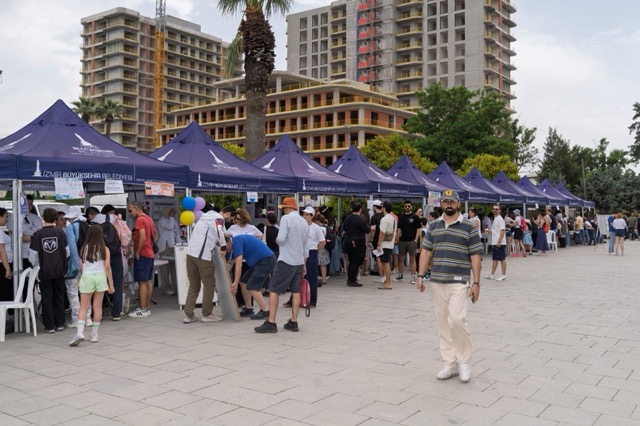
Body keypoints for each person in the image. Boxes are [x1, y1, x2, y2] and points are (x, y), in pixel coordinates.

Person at [416, 189, 482, 383]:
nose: (449, 205)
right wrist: (420, 275)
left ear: (458, 203)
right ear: (441, 204)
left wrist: (476, 283)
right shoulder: (434, 226)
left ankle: (464, 361)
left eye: (452, 201)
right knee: (443, 323)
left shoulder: (469, 226)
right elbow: (425, 251)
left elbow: (475, 256)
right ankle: (449, 363)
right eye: (445, 202)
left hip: (459, 281)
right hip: (437, 280)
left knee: (457, 319)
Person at [255, 197, 308, 334]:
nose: (283, 210)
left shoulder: (286, 219)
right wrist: (304, 263)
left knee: (273, 289)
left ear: (287, 207)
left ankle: (271, 321)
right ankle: (294, 321)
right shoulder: (303, 221)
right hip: (299, 261)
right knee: (296, 290)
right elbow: (305, 244)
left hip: (286, 259)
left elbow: (281, 239)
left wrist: (277, 240)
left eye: (283, 208)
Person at [69, 225, 115, 346]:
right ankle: (94, 334)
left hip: (87, 277)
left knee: (83, 307)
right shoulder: (105, 249)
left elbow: (81, 267)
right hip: (100, 277)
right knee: (97, 307)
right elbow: (107, 267)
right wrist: (111, 284)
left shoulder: (84, 249)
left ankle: (80, 332)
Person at [183, 204, 226, 323]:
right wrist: (223, 246)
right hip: (204, 256)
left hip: (191, 254)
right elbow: (220, 231)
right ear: (226, 213)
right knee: (209, 285)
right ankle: (207, 313)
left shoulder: (202, 219)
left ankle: (188, 315)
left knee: (194, 285)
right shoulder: (218, 218)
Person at [28, 208, 69, 333]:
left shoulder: (37, 235)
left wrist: (37, 265)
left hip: (44, 270)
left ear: (43, 218)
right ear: (56, 219)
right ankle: (60, 323)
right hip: (59, 270)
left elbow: (33, 256)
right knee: (59, 296)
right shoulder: (61, 233)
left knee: (46, 298)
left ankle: (50, 326)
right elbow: (67, 252)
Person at [228, 234, 276, 320]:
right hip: (260, 261)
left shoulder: (236, 242)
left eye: (224, 247)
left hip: (266, 260)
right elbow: (229, 263)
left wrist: (235, 283)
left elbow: (239, 264)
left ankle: (266, 311)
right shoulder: (232, 245)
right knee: (244, 282)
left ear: (228, 242)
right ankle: (248, 309)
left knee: (253, 287)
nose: (224, 249)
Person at [226, 208, 263, 317]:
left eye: (238, 219)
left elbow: (260, 235)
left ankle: (249, 305)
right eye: (235, 219)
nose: (236, 221)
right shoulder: (233, 228)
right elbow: (225, 235)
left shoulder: (251, 228)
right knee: (238, 280)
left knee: (246, 282)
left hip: (248, 259)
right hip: (238, 257)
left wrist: (253, 245)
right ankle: (241, 303)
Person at [127, 201, 157, 318]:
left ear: (136, 208)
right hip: (150, 253)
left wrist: (137, 251)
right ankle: (147, 308)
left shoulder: (140, 220)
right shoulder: (149, 219)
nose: (130, 213)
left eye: (130, 210)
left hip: (143, 253)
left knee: (142, 282)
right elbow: (155, 235)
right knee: (148, 281)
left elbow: (143, 237)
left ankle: (143, 309)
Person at [63, 206, 87, 328]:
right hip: (88, 263)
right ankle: (88, 317)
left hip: (75, 264)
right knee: (86, 291)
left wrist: (77, 264)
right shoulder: (87, 225)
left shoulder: (70, 227)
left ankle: (76, 318)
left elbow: (72, 249)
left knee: (73, 292)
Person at [341, 202, 370, 287]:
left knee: (351, 261)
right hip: (357, 242)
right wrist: (371, 228)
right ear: (360, 209)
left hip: (348, 241)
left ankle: (350, 278)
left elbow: (344, 228)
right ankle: (352, 280)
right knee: (356, 261)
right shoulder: (360, 219)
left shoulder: (347, 218)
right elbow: (366, 229)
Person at [302, 206, 325, 308]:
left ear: (312, 216)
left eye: (307, 215)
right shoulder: (301, 226)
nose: (304, 216)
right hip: (301, 252)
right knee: (298, 276)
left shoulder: (316, 228)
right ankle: (295, 299)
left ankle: (312, 301)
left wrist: (316, 250)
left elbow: (322, 242)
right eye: (304, 214)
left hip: (311, 252)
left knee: (311, 277)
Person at [395, 200, 420, 284]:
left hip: (412, 241)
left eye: (409, 206)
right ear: (404, 207)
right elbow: (399, 229)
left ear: (411, 207)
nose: (407, 207)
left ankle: (413, 277)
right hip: (402, 241)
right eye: (406, 206)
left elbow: (418, 229)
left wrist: (416, 239)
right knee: (400, 259)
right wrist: (397, 238)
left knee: (412, 259)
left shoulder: (415, 217)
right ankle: (400, 275)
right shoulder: (401, 217)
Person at [157, 206, 180, 295]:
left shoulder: (173, 220)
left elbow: (177, 231)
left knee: (174, 268)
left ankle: (176, 287)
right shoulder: (162, 221)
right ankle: (165, 288)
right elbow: (170, 227)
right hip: (165, 246)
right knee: (165, 269)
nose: (172, 213)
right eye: (170, 212)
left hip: (174, 246)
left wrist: (179, 243)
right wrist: (171, 216)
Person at [375, 201, 396, 290]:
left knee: (386, 264)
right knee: (385, 263)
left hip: (385, 244)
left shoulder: (384, 219)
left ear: (384, 208)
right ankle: (387, 282)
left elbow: (382, 233)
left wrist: (378, 244)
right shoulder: (393, 218)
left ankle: (388, 283)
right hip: (390, 243)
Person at [486, 205, 507, 281]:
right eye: (493, 209)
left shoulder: (500, 219)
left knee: (502, 259)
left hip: (499, 243)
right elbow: (496, 231)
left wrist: (499, 241)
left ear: (500, 210)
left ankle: (503, 275)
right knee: (494, 259)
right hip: (495, 242)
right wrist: (489, 231)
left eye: (496, 209)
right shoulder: (495, 219)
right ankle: (492, 274)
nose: (495, 210)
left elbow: (502, 231)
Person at [369, 200, 384, 283]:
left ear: (375, 207)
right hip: (384, 240)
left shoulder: (374, 217)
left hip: (376, 240)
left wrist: (370, 240)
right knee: (384, 259)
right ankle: (385, 276)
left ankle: (381, 277)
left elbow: (373, 230)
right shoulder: (384, 216)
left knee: (378, 258)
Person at [0, 208, 13, 303]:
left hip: (3, 264)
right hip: (3, 265)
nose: (7, 219)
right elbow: (1, 250)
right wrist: (7, 269)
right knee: (4, 293)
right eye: (5, 217)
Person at [315, 213, 330, 287]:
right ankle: (324, 279)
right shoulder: (326, 228)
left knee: (318, 264)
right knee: (323, 265)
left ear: (318, 220)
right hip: (325, 248)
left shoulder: (319, 229)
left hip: (319, 247)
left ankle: (318, 278)